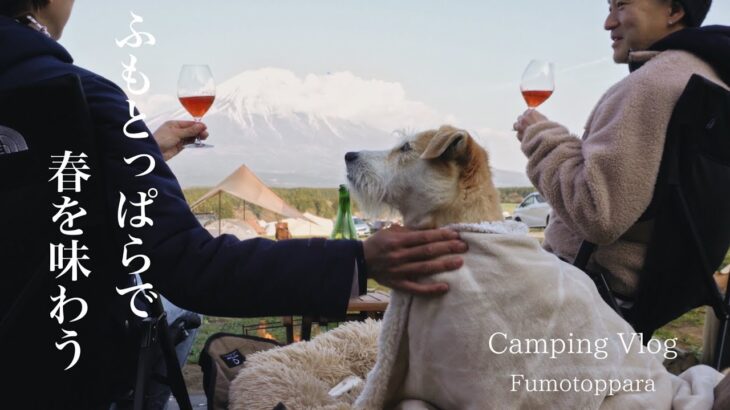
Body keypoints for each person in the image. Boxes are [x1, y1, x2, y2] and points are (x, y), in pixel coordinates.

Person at [0, 0, 469, 407]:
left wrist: (140, 153)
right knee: (179, 318)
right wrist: (359, 259)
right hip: (56, 375)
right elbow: (188, 266)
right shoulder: (84, 96)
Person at [513, 0, 728, 340]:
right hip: (659, 291)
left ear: (673, 10)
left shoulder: (651, 85)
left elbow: (597, 213)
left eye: (622, 5)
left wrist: (540, 137)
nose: (608, 22)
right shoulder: (711, 82)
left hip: (585, 289)